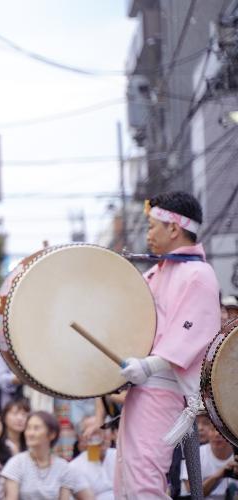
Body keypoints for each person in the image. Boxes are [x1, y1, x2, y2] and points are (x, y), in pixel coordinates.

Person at [115, 192, 221, 498]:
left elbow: (192, 332)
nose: (148, 233)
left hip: (164, 385)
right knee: (127, 475)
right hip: (144, 382)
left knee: (144, 479)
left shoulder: (199, 275)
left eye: (152, 225)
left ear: (173, 228)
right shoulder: (156, 271)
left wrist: (148, 364)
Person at [1, 411, 93, 500]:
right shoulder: (16, 463)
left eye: (36, 428)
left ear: (52, 434)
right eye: (28, 428)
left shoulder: (63, 467)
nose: (30, 433)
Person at [181, 425, 238, 499]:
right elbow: (191, 493)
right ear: (208, 433)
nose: (217, 434)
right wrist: (218, 475)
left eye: (222, 430)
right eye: (213, 429)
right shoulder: (193, 456)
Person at [68, 416, 116, 500]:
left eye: (104, 430)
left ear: (111, 433)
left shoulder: (120, 456)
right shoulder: (74, 467)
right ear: (82, 437)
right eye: (94, 432)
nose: (100, 436)